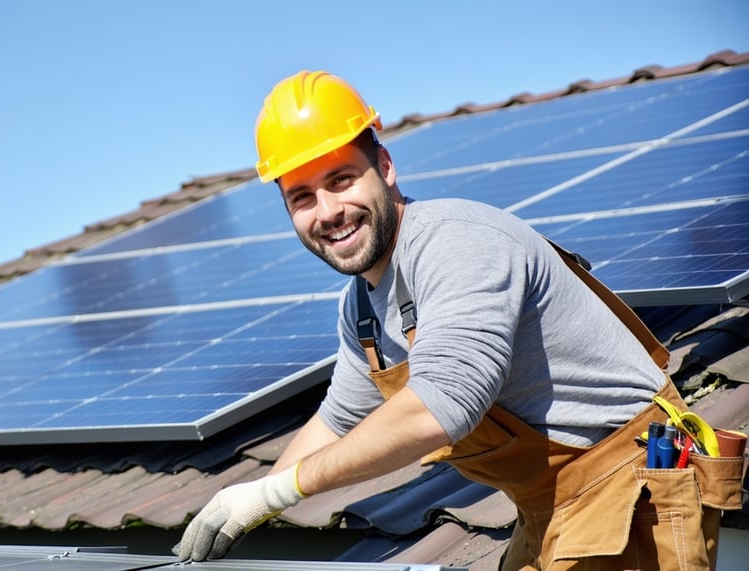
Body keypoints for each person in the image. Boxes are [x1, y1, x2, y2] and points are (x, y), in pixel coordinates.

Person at [175, 71, 741, 570]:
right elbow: (338, 421)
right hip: (548, 509)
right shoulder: (363, 306)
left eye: (341, 180)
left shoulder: (456, 244)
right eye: (302, 197)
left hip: (629, 489)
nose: (327, 212)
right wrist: (249, 496)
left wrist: (280, 493)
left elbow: (442, 405)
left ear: (386, 167)